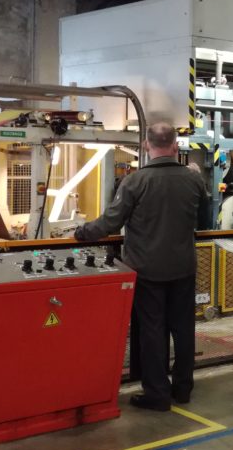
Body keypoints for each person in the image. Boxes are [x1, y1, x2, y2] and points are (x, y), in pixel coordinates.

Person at [75, 122, 210, 411]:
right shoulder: (194, 180)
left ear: (147, 146)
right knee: (184, 330)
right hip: (183, 268)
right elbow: (206, 220)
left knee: (152, 331)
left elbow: (109, 223)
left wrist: (81, 232)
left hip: (147, 270)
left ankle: (157, 393)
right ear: (175, 145)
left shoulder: (134, 182)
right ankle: (183, 388)